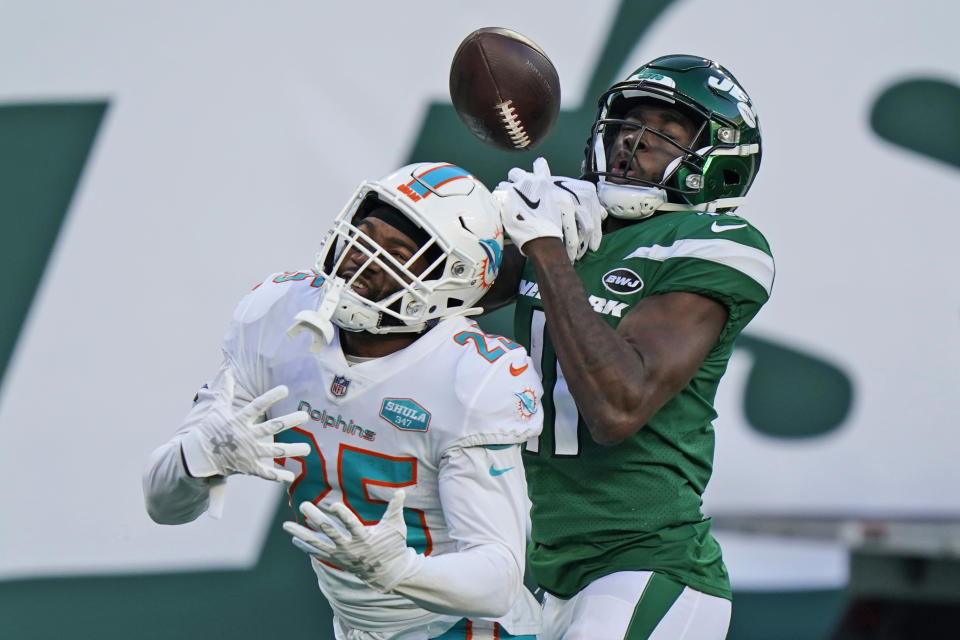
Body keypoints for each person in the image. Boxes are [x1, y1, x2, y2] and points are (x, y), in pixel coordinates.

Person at [143, 161, 543, 640]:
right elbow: (162, 505)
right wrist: (200, 452)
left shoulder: (469, 378)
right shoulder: (280, 314)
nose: (363, 256)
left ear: (450, 280)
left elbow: (498, 580)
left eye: (395, 251)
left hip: (464, 630)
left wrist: (400, 569)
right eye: (365, 234)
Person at [488, 54, 775, 639]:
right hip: (538, 566)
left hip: (644, 566)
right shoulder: (572, 225)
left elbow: (618, 405)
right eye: (625, 128)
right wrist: (497, 223)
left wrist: (544, 249)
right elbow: (430, 295)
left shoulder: (715, 242)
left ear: (717, 162)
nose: (631, 145)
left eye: (664, 136)